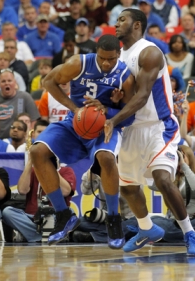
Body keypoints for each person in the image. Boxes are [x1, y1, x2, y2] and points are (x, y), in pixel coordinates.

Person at [107, 8, 195, 256]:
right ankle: (147, 228)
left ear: (137, 25)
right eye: (116, 20)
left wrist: (113, 119)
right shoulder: (117, 58)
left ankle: (190, 233)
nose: (116, 24)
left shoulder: (149, 52)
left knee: (162, 179)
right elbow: (122, 96)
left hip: (158, 127)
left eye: (122, 20)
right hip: (130, 129)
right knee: (128, 187)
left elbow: (141, 97)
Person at [30, 34, 135, 248]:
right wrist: (75, 108)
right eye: (103, 58)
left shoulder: (125, 74)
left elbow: (131, 114)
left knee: (106, 157)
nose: (106, 63)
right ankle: (63, 214)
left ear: (118, 55)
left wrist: (109, 110)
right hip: (75, 122)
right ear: (96, 52)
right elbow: (48, 81)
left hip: (104, 125)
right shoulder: (79, 63)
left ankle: (114, 219)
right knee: (37, 152)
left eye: (111, 59)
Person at [2, 119, 76, 243]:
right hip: (32, 217)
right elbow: (22, 190)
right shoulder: (32, 170)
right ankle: (40, 237)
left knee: (71, 212)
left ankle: (39, 236)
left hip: (55, 215)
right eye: (39, 132)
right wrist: (32, 160)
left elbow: (65, 191)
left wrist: (50, 166)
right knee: (8, 212)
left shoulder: (66, 171)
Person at [0, 69, 40, 139]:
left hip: (19, 140)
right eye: (3, 81)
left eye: (9, 81)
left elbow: (34, 121)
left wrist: (29, 138)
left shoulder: (25, 97)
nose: (7, 83)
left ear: (15, 83)